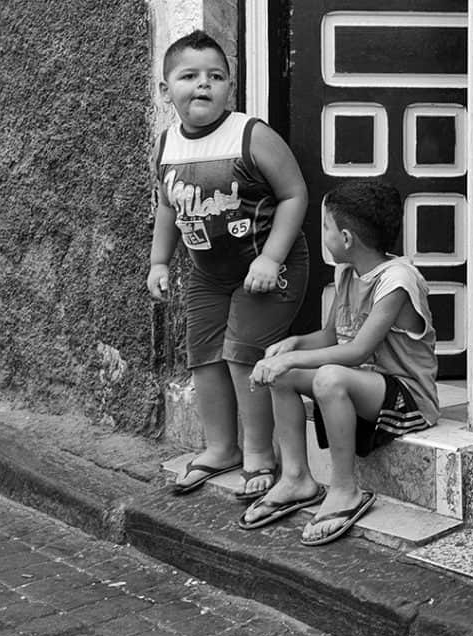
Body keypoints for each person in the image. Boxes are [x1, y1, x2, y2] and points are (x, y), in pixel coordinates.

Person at [147, 30, 310, 502]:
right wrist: (160, 261)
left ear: (230, 87)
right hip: (207, 275)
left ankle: (260, 455)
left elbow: (294, 194)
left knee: (243, 357)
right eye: (189, 76)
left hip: (266, 268)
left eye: (215, 76)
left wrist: (271, 256)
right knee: (204, 357)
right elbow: (166, 208)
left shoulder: (250, 134)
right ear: (166, 91)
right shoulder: (167, 146)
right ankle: (221, 447)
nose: (203, 85)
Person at [240, 179, 439, 546]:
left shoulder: (397, 281)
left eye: (326, 228)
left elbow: (356, 351)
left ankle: (345, 489)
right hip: (361, 384)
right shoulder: (346, 271)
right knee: (284, 376)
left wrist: (296, 359)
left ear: (346, 238)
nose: (324, 235)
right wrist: (293, 345)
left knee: (328, 378)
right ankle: (297, 478)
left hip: (406, 398)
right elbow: (332, 337)